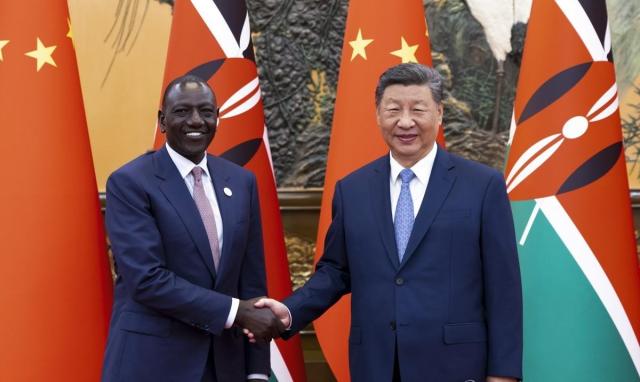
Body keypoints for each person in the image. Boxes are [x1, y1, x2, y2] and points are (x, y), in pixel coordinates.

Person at [255, 63, 523, 382]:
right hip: (378, 365)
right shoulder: (353, 190)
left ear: (439, 113)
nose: (405, 121)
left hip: (456, 366)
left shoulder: (482, 186)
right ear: (378, 115)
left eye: (418, 109)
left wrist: (503, 374)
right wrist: (288, 312)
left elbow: (503, 288)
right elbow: (335, 272)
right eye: (393, 109)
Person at [101, 75, 283, 382]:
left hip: (224, 365)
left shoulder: (241, 182)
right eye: (182, 111)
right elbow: (147, 279)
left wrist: (257, 371)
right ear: (162, 120)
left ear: (217, 118)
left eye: (206, 111)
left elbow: (251, 283)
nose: (195, 120)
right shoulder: (130, 183)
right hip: (152, 364)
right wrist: (235, 312)